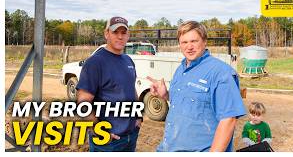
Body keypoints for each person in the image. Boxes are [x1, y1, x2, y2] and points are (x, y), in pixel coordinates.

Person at [147, 20, 246, 152]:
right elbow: (191, 103)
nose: (189, 47)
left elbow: (229, 120)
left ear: (204, 41)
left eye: (194, 41)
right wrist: (166, 95)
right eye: (184, 42)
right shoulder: (181, 69)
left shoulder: (221, 73)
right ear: (179, 45)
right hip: (168, 148)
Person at [76, 16, 142, 152]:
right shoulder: (95, 63)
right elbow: (83, 103)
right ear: (107, 34)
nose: (120, 37)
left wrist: (138, 116)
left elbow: (131, 89)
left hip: (130, 137)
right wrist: (98, 129)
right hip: (108, 142)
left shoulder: (128, 60)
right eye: (115, 32)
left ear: (128, 35)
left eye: (124, 33)